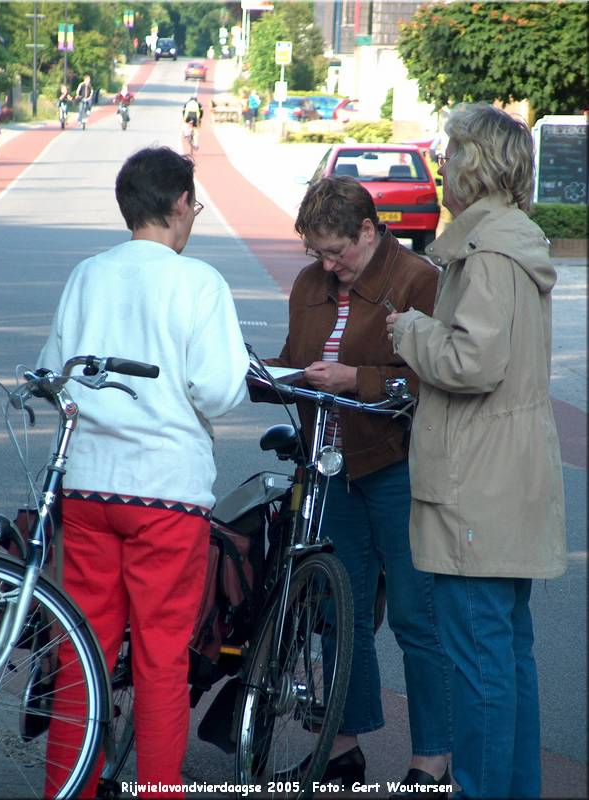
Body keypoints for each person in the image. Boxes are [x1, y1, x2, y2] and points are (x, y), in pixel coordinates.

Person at [38, 146, 249, 798]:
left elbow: (55, 374)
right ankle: (159, 789)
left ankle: (67, 786)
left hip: (90, 484)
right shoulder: (199, 283)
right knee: (160, 661)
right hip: (166, 495)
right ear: (181, 205)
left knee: (82, 648)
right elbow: (219, 391)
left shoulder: (88, 274)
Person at [386, 103, 566, 799]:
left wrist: (409, 332)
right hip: (505, 476)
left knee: (480, 662)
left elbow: (472, 362)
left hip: (476, 482)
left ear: (475, 163)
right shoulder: (507, 241)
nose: (440, 164)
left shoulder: (486, 251)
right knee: (504, 655)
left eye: (450, 152)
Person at [254, 176, 453, 791]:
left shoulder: (417, 278)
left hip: (397, 464)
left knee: (418, 618)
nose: (328, 265)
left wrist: (355, 380)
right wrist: (272, 375)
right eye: (318, 253)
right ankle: (343, 747)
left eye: (337, 251)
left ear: (369, 230)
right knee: (340, 613)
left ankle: (433, 759)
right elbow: (296, 352)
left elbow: (437, 377)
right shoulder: (311, 284)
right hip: (329, 465)